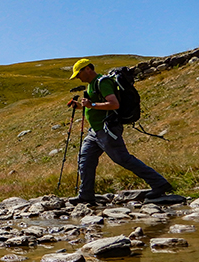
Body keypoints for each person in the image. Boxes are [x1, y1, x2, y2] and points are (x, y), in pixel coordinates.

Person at [68, 59, 172, 204]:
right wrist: (80, 106)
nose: (78, 77)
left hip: (107, 129)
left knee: (123, 159)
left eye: (78, 74)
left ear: (87, 69)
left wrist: (91, 104)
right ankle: (86, 195)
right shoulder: (92, 84)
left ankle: (159, 183)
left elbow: (114, 104)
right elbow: (96, 106)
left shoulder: (102, 82)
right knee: (85, 160)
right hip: (95, 131)